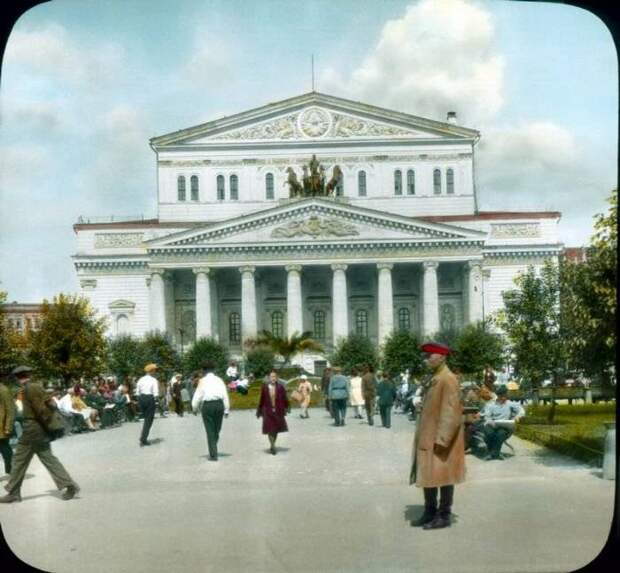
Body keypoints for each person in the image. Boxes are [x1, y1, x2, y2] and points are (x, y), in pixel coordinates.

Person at [0, 366, 80, 503]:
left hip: (32, 429)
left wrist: (48, 427)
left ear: (17, 377)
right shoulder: (32, 387)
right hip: (35, 428)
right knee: (46, 458)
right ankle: (69, 485)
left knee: (19, 460)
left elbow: (42, 410)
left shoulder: (31, 388)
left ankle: (13, 492)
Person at [409, 343, 465, 530]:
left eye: (429, 356)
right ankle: (430, 511)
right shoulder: (435, 377)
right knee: (429, 474)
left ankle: (444, 515)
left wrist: (443, 439)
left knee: (443, 475)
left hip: (440, 437)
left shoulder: (447, 379)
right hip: (429, 435)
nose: (426, 360)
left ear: (441, 357)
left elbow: (452, 411)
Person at [192, 362, 230, 461]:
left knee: (210, 430)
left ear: (204, 371)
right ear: (213, 370)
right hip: (219, 405)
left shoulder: (202, 381)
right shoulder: (219, 380)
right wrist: (226, 409)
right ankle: (213, 449)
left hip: (207, 406)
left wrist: (194, 408)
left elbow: (198, 395)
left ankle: (213, 454)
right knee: (217, 429)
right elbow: (225, 395)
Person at [481, 385, 525, 460]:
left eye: (505, 396)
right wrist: (490, 421)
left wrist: (517, 417)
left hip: (503, 426)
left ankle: (493, 454)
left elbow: (522, 411)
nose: (504, 398)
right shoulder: (491, 405)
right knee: (489, 433)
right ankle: (494, 452)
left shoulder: (509, 403)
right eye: (502, 396)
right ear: (498, 396)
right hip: (492, 424)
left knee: (500, 434)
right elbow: (487, 416)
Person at [256, 370, 289, 455]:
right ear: (269, 378)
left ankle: (272, 444)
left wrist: (286, 408)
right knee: (270, 429)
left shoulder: (280, 387)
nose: (273, 378)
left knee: (276, 429)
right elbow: (261, 399)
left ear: (277, 378)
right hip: (267, 411)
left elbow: (285, 398)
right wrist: (259, 411)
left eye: (274, 377)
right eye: (271, 377)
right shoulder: (265, 387)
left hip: (278, 410)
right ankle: (273, 445)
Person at [136, 363, 159, 447]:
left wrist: (139, 400)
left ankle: (143, 437)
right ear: (151, 371)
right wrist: (156, 401)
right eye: (155, 370)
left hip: (141, 398)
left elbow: (137, 392)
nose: (155, 372)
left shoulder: (140, 379)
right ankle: (143, 438)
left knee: (146, 418)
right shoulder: (153, 380)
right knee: (149, 419)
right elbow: (155, 392)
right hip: (149, 398)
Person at [0, 376, 16, 476]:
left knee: (5, 449)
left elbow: (10, 409)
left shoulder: (3, 390)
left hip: (1, 426)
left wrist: (8, 427)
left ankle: (10, 469)